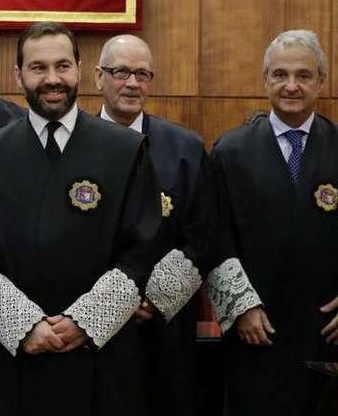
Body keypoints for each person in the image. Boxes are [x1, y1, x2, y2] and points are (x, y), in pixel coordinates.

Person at [0, 22, 161, 415]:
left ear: (80, 69)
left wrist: (84, 321)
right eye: (38, 68)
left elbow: (141, 249)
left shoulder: (125, 148)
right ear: (17, 75)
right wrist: (23, 325)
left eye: (62, 66)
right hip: (13, 358)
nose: (52, 79)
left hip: (100, 358)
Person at [206, 29, 338, 415]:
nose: (291, 86)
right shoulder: (230, 150)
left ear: (321, 82)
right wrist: (241, 306)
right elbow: (215, 235)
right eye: (280, 75)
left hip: (326, 332)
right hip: (256, 330)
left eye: (303, 75)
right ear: (265, 80)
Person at [95, 34, 211, 416]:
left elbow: (202, 233)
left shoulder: (185, 149)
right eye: (121, 72)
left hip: (163, 327)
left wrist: (151, 296)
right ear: (98, 77)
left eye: (142, 74)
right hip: (90, 326)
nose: (132, 83)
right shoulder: (74, 144)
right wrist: (114, 301)